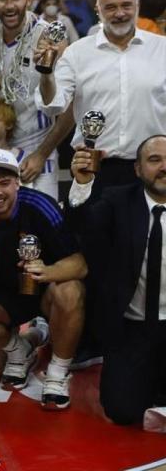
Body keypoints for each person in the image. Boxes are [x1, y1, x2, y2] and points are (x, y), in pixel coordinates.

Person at [0, 148, 87, 409]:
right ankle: (20, 348)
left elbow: (80, 264)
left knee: (71, 289)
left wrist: (47, 272)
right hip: (4, 291)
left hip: (44, 289)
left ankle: (58, 370)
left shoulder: (40, 204)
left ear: (17, 182)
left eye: (4, 183)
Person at [67, 135, 166, 424]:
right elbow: (81, 228)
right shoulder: (117, 201)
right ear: (137, 169)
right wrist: (83, 184)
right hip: (132, 329)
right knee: (121, 410)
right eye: (154, 160)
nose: (163, 167)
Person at [40, 0, 166, 197]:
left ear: (137, 7)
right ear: (98, 11)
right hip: (92, 169)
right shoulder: (77, 53)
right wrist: (46, 73)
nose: (119, 13)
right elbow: (53, 104)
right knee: (89, 231)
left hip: (152, 170)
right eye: (110, 7)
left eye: (126, 6)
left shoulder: (162, 49)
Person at [0, 0, 66, 198]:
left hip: (37, 146)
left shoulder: (48, 37)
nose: (9, 6)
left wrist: (41, 154)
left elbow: (68, 111)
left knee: (43, 221)